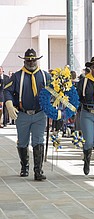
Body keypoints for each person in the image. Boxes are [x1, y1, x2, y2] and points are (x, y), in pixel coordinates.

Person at [4, 48, 51, 180]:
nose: (31, 62)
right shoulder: (17, 76)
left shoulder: (45, 75)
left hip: (39, 114)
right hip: (23, 114)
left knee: (38, 140)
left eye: (33, 60)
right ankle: (24, 166)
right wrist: (9, 103)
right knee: (22, 142)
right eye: (28, 60)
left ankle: (38, 171)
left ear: (37, 60)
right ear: (24, 61)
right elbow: (7, 90)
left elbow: (54, 90)